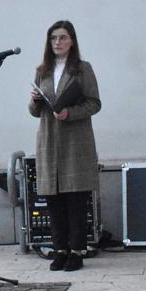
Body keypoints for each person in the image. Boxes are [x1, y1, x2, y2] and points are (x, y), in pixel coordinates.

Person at [29, 20, 101, 272]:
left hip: (75, 141)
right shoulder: (42, 70)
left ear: (72, 41)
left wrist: (70, 112)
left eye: (62, 37)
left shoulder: (83, 69)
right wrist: (35, 100)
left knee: (76, 199)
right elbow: (34, 112)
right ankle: (59, 249)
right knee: (54, 200)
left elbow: (94, 103)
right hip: (49, 140)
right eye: (53, 38)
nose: (57, 42)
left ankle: (76, 251)